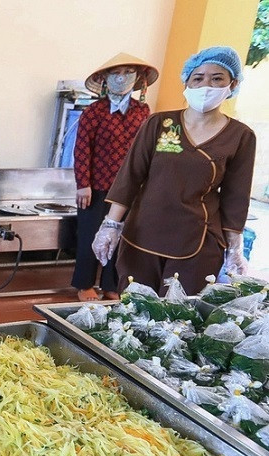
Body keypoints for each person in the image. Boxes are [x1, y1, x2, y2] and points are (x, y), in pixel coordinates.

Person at [92, 46, 256, 295]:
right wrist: (111, 225)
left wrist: (234, 248)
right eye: (198, 78)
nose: (206, 86)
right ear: (187, 82)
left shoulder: (240, 136)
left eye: (217, 78)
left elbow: (236, 196)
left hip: (197, 239)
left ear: (232, 84)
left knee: (179, 317)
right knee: (135, 309)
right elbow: (131, 175)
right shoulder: (160, 123)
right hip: (143, 233)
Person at [72, 53, 158, 302]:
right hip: (96, 188)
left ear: (138, 79)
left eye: (128, 72)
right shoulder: (94, 111)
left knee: (119, 238)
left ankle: (111, 283)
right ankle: (84, 283)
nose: (122, 78)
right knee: (90, 235)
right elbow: (81, 149)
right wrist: (83, 184)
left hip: (129, 189)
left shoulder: (143, 112)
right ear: (105, 79)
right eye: (116, 73)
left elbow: (145, 151)